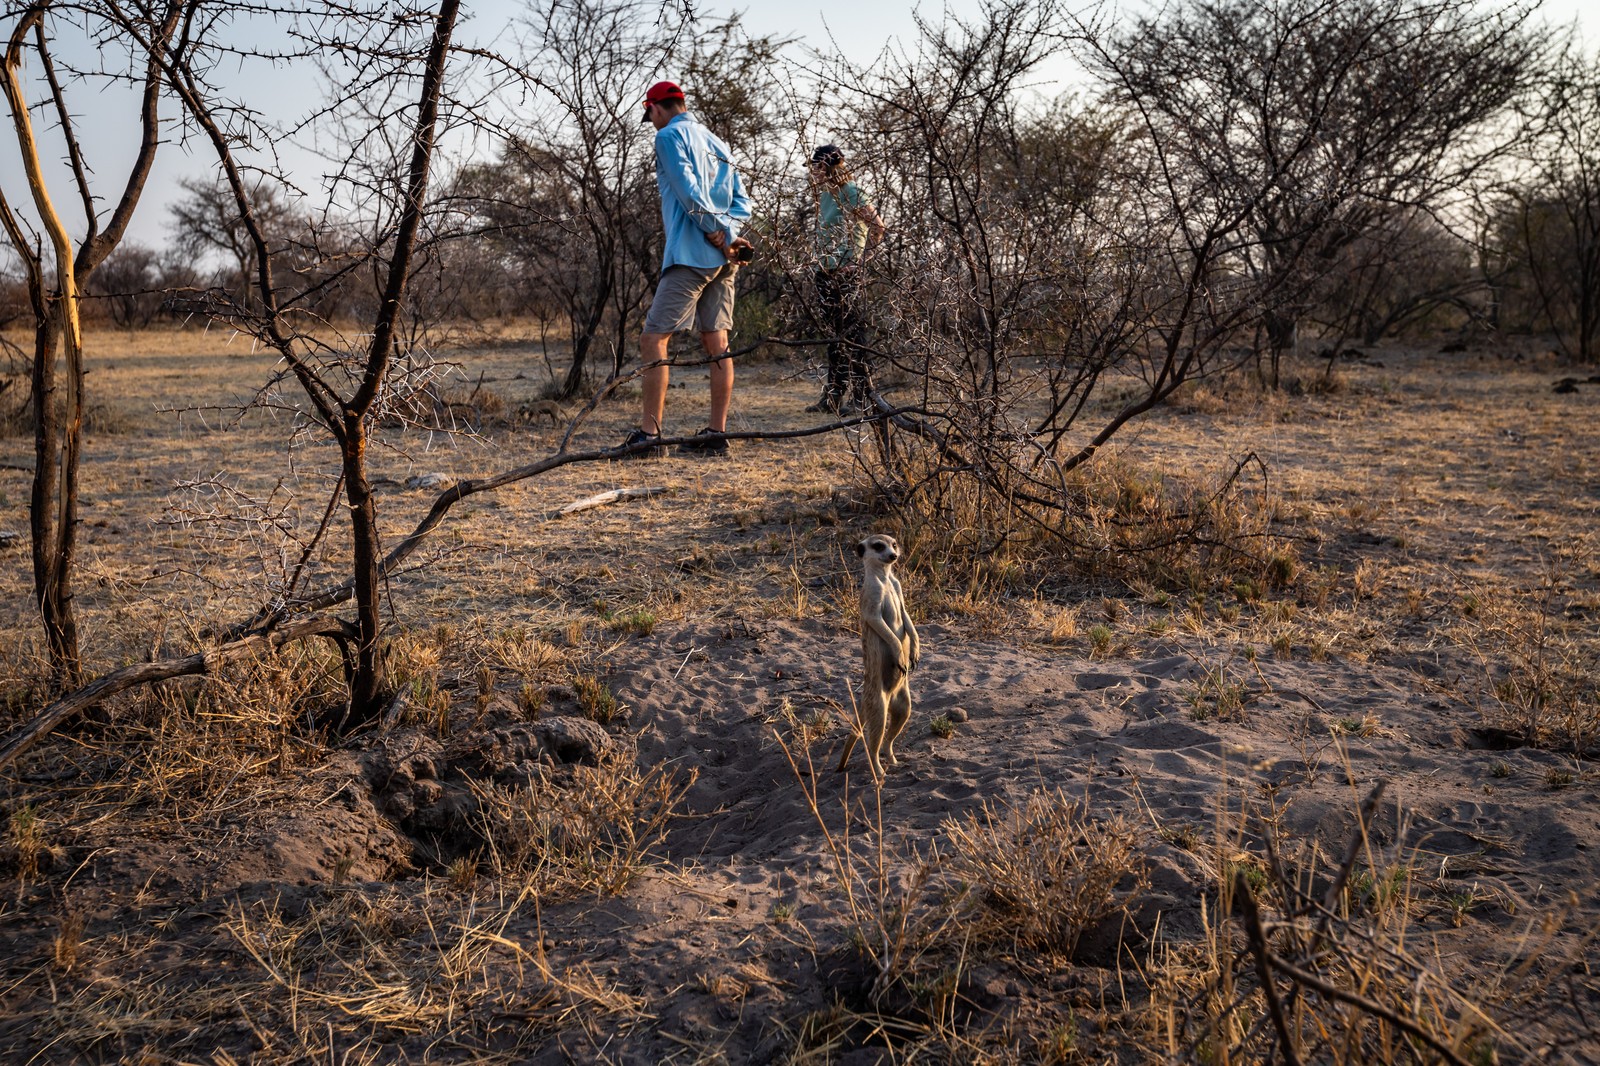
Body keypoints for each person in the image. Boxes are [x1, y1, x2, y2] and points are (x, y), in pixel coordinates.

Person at [617, 80, 753, 459]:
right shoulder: (716, 141)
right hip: (726, 258)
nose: (653, 123)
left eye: (651, 116)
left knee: (653, 340)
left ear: (656, 108)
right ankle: (716, 434)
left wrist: (715, 232)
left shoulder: (667, 137)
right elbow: (743, 202)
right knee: (717, 342)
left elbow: (688, 192)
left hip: (693, 254)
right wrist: (731, 236)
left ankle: (649, 437)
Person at [805, 144, 887, 413]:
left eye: (817, 167)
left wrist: (858, 263)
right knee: (833, 337)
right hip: (825, 273)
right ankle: (833, 396)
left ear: (828, 167)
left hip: (845, 275)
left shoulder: (850, 191)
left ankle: (863, 396)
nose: (813, 173)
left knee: (853, 336)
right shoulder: (826, 195)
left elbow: (877, 226)